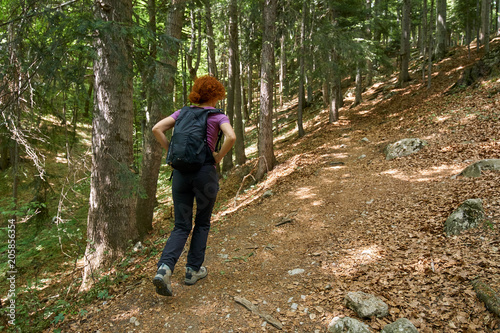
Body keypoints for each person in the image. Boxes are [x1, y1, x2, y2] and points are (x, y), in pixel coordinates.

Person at [151, 75, 236, 296]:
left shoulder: (182, 113)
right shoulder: (217, 116)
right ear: (215, 95)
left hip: (180, 174)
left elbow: (157, 129)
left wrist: (170, 151)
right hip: (204, 174)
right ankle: (192, 271)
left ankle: (164, 268)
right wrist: (217, 158)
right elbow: (231, 137)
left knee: (181, 225)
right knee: (202, 222)